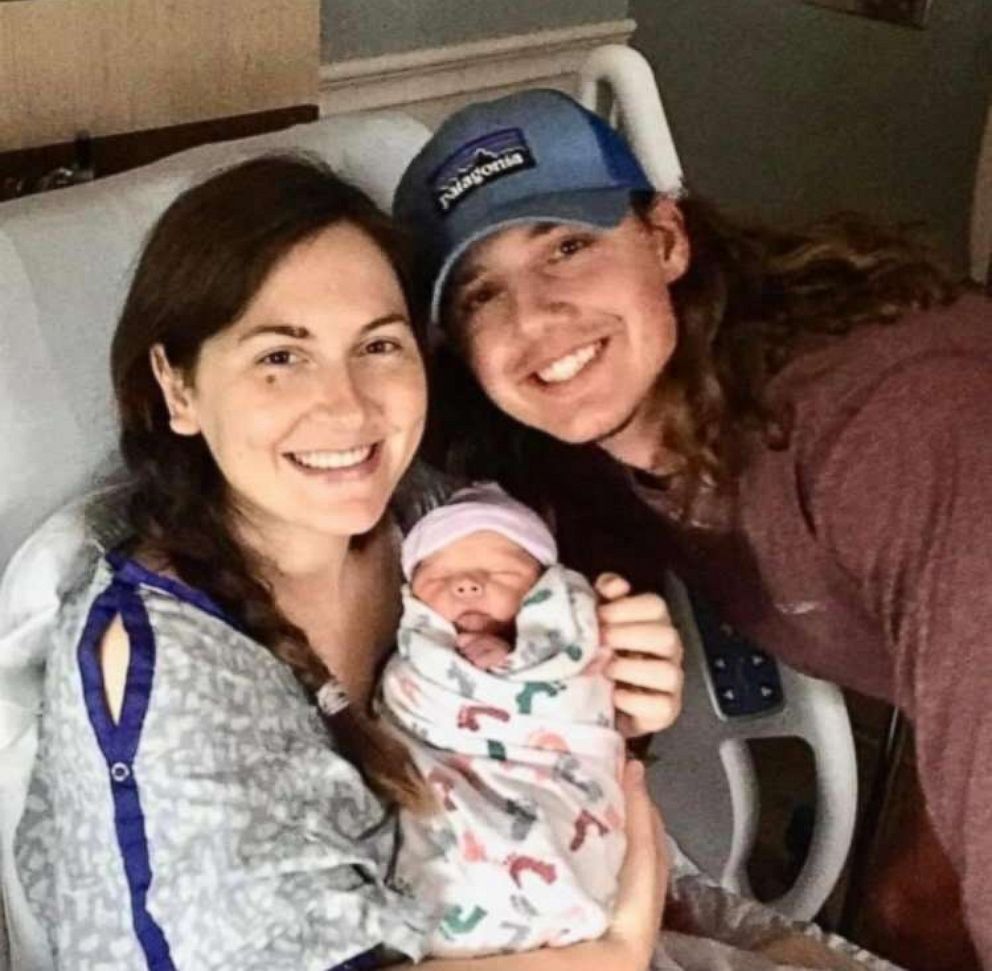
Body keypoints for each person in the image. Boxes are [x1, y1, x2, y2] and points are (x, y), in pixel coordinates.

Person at [3, 153, 677, 971]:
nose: (348, 405)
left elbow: (546, 758)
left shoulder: (437, 520)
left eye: (379, 345)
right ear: (177, 390)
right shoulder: (157, 664)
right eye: (280, 357)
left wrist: (602, 691)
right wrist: (611, 952)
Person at [393, 89, 992, 966]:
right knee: (911, 913)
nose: (534, 319)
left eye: (567, 245)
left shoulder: (891, 429)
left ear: (666, 239)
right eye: (482, 295)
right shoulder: (576, 442)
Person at [381, 482, 625, 957]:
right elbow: (399, 702)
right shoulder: (420, 648)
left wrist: (518, 660)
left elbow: (574, 691)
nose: (467, 584)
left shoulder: (563, 637)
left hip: (543, 768)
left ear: (541, 589)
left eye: (501, 572)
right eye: (440, 575)